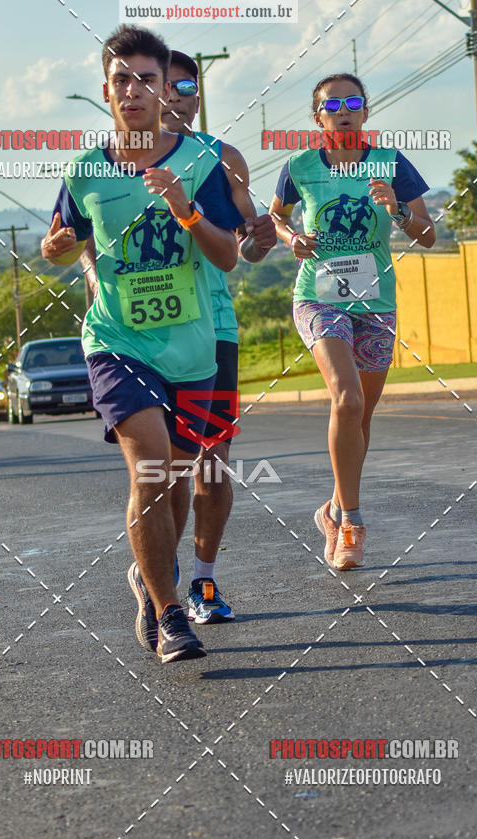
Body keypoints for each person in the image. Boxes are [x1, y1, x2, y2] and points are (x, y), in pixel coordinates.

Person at [41, 25, 244, 664]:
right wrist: (56, 248)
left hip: (191, 346)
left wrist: (186, 208)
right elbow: (67, 239)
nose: (133, 91)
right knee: (149, 465)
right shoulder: (83, 170)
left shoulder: (201, 161)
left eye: (147, 80)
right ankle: (169, 611)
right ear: (106, 90)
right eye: (121, 80)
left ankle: (149, 577)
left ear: (165, 90)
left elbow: (228, 256)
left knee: (176, 479)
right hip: (116, 339)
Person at [80, 49, 276, 627]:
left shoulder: (220, 158)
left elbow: (244, 247)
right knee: (160, 467)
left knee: (208, 465)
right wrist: (101, 287)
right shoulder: (110, 166)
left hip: (211, 328)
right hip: (137, 334)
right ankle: (160, 583)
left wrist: (261, 240)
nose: (176, 95)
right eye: (166, 83)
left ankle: (202, 578)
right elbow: (87, 240)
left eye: (188, 84)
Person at [269, 73, 436, 570]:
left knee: (360, 420)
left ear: (365, 112)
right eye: (331, 104)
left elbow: (426, 234)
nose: (342, 110)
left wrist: (400, 210)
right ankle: (352, 524)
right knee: (347, 397)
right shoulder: (299, 166)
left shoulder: (391, 162)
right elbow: (276, 218)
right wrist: (290, 238)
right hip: (319, 298)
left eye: (352, 102)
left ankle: (332, 508)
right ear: (317, 116)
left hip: (376, 301)